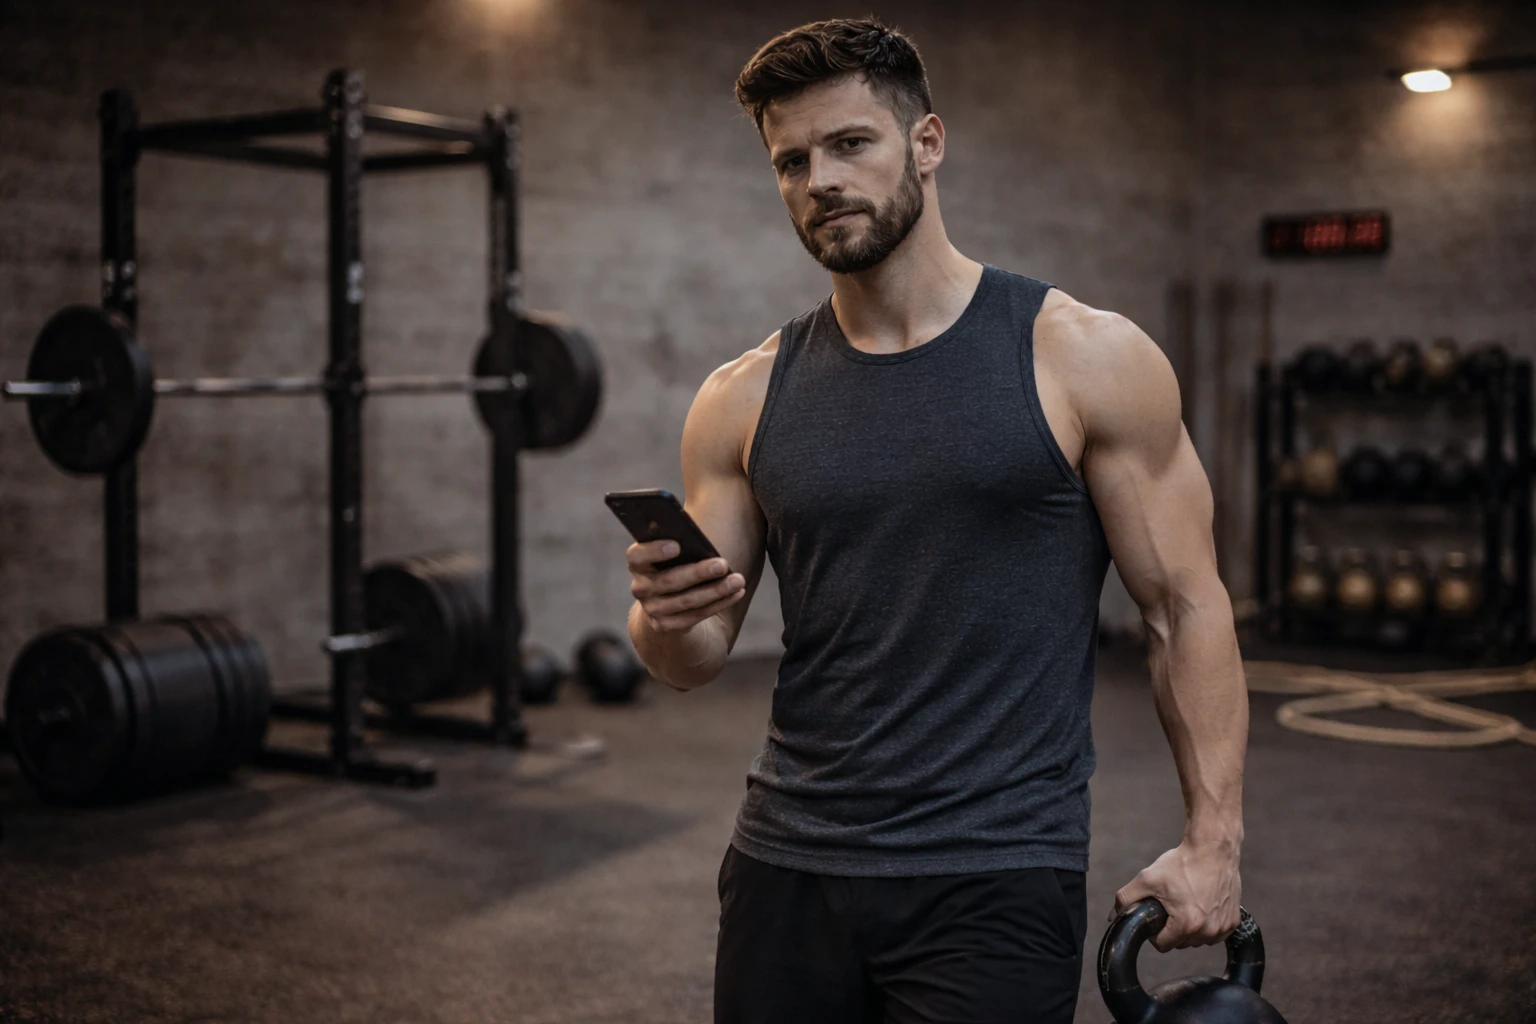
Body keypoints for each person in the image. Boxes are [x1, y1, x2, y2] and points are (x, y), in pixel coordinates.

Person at [622, 17, 1248, 1024]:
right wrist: (659, 611)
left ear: (927, 143)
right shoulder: (742, 396)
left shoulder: (1082, 357)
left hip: (993, 874)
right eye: (790, 160)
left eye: (849, 144)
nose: (817, 179)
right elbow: (692, 656)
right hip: (787, 863)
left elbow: (1184, 607)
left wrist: (1213, 844)